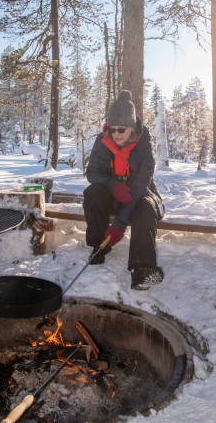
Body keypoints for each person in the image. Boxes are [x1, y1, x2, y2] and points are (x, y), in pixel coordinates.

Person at [83, 90, 164, 290]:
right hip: (113, 194)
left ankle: (142, 270)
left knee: (146, 208)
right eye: (113, 129)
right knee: (93, 193)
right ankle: (98, 247)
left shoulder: (143, 144)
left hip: (138, 194)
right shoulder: (102, 141)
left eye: (122, 130)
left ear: (132, 128)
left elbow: (140, 185)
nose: (116, 134)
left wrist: (119, 223)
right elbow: (92, 172)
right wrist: (112, 184)